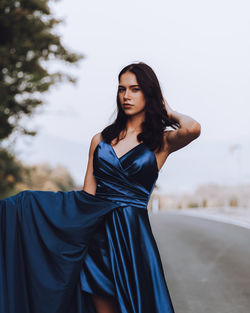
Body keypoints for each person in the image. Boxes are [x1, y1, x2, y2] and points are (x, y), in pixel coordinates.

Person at [0, 62, 201, 313]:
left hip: (134, 240)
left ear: (149, 94)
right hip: (98, 240)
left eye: (135, 89)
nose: (126, 96)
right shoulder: (100, 140)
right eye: (121, 89)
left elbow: (192, 128)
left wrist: (166, 109)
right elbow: (86, 198)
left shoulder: (159, 141)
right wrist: (32, 207)